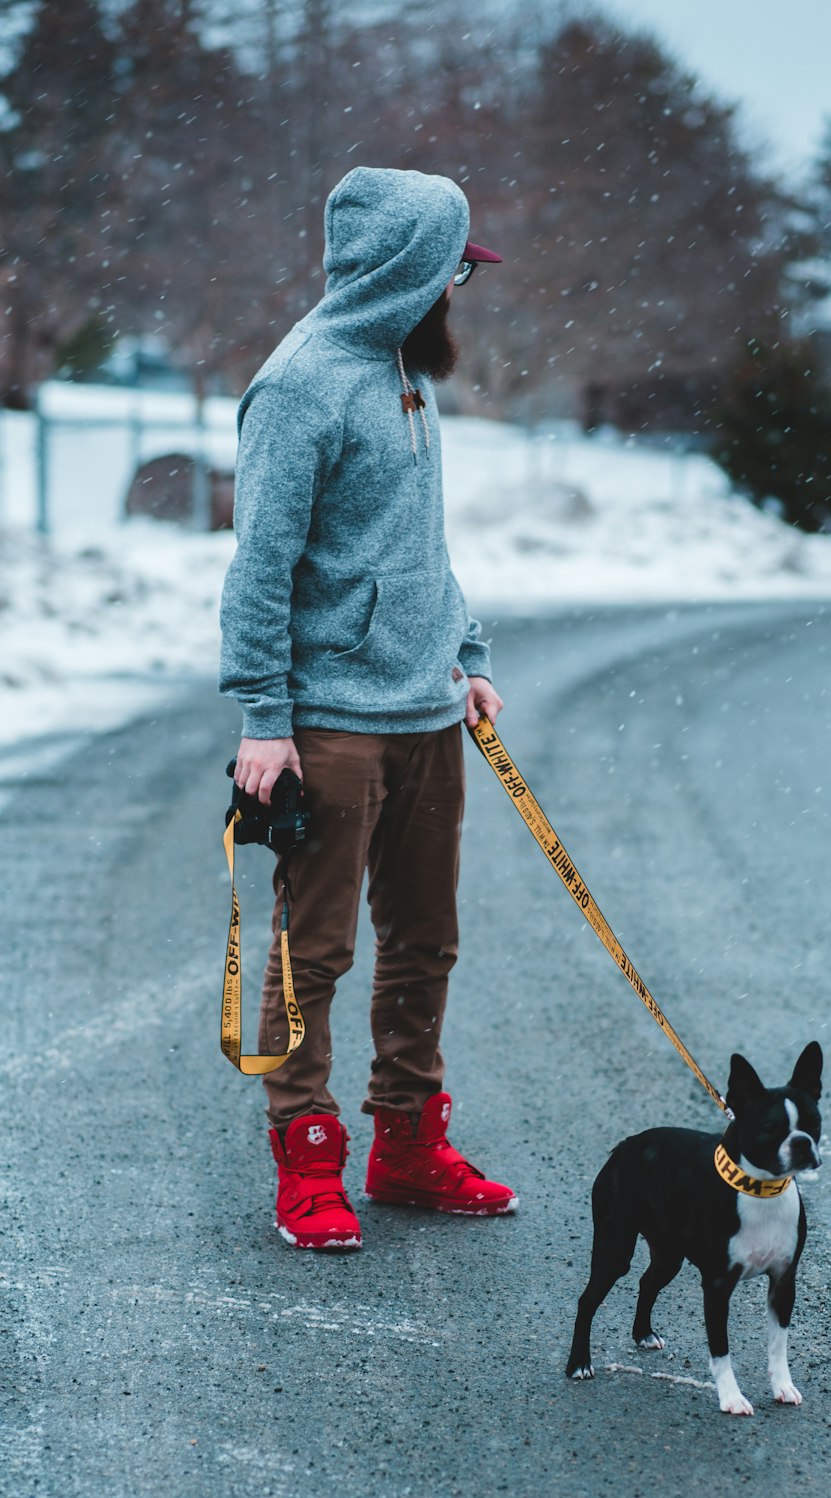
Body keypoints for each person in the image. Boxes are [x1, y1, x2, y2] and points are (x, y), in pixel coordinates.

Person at [219, 166, 516, 1250]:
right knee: (316, 952)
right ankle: (306, 1160)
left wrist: (464, 651)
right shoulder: (300, 387)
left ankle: (407, 1147)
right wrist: (264, 717)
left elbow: (418, 548)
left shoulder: (405, 370)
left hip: (428, 716)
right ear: (408, 274)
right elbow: (261, 568)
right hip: (332, 724)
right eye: (451, 275)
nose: (458, 295)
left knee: (425, 941)